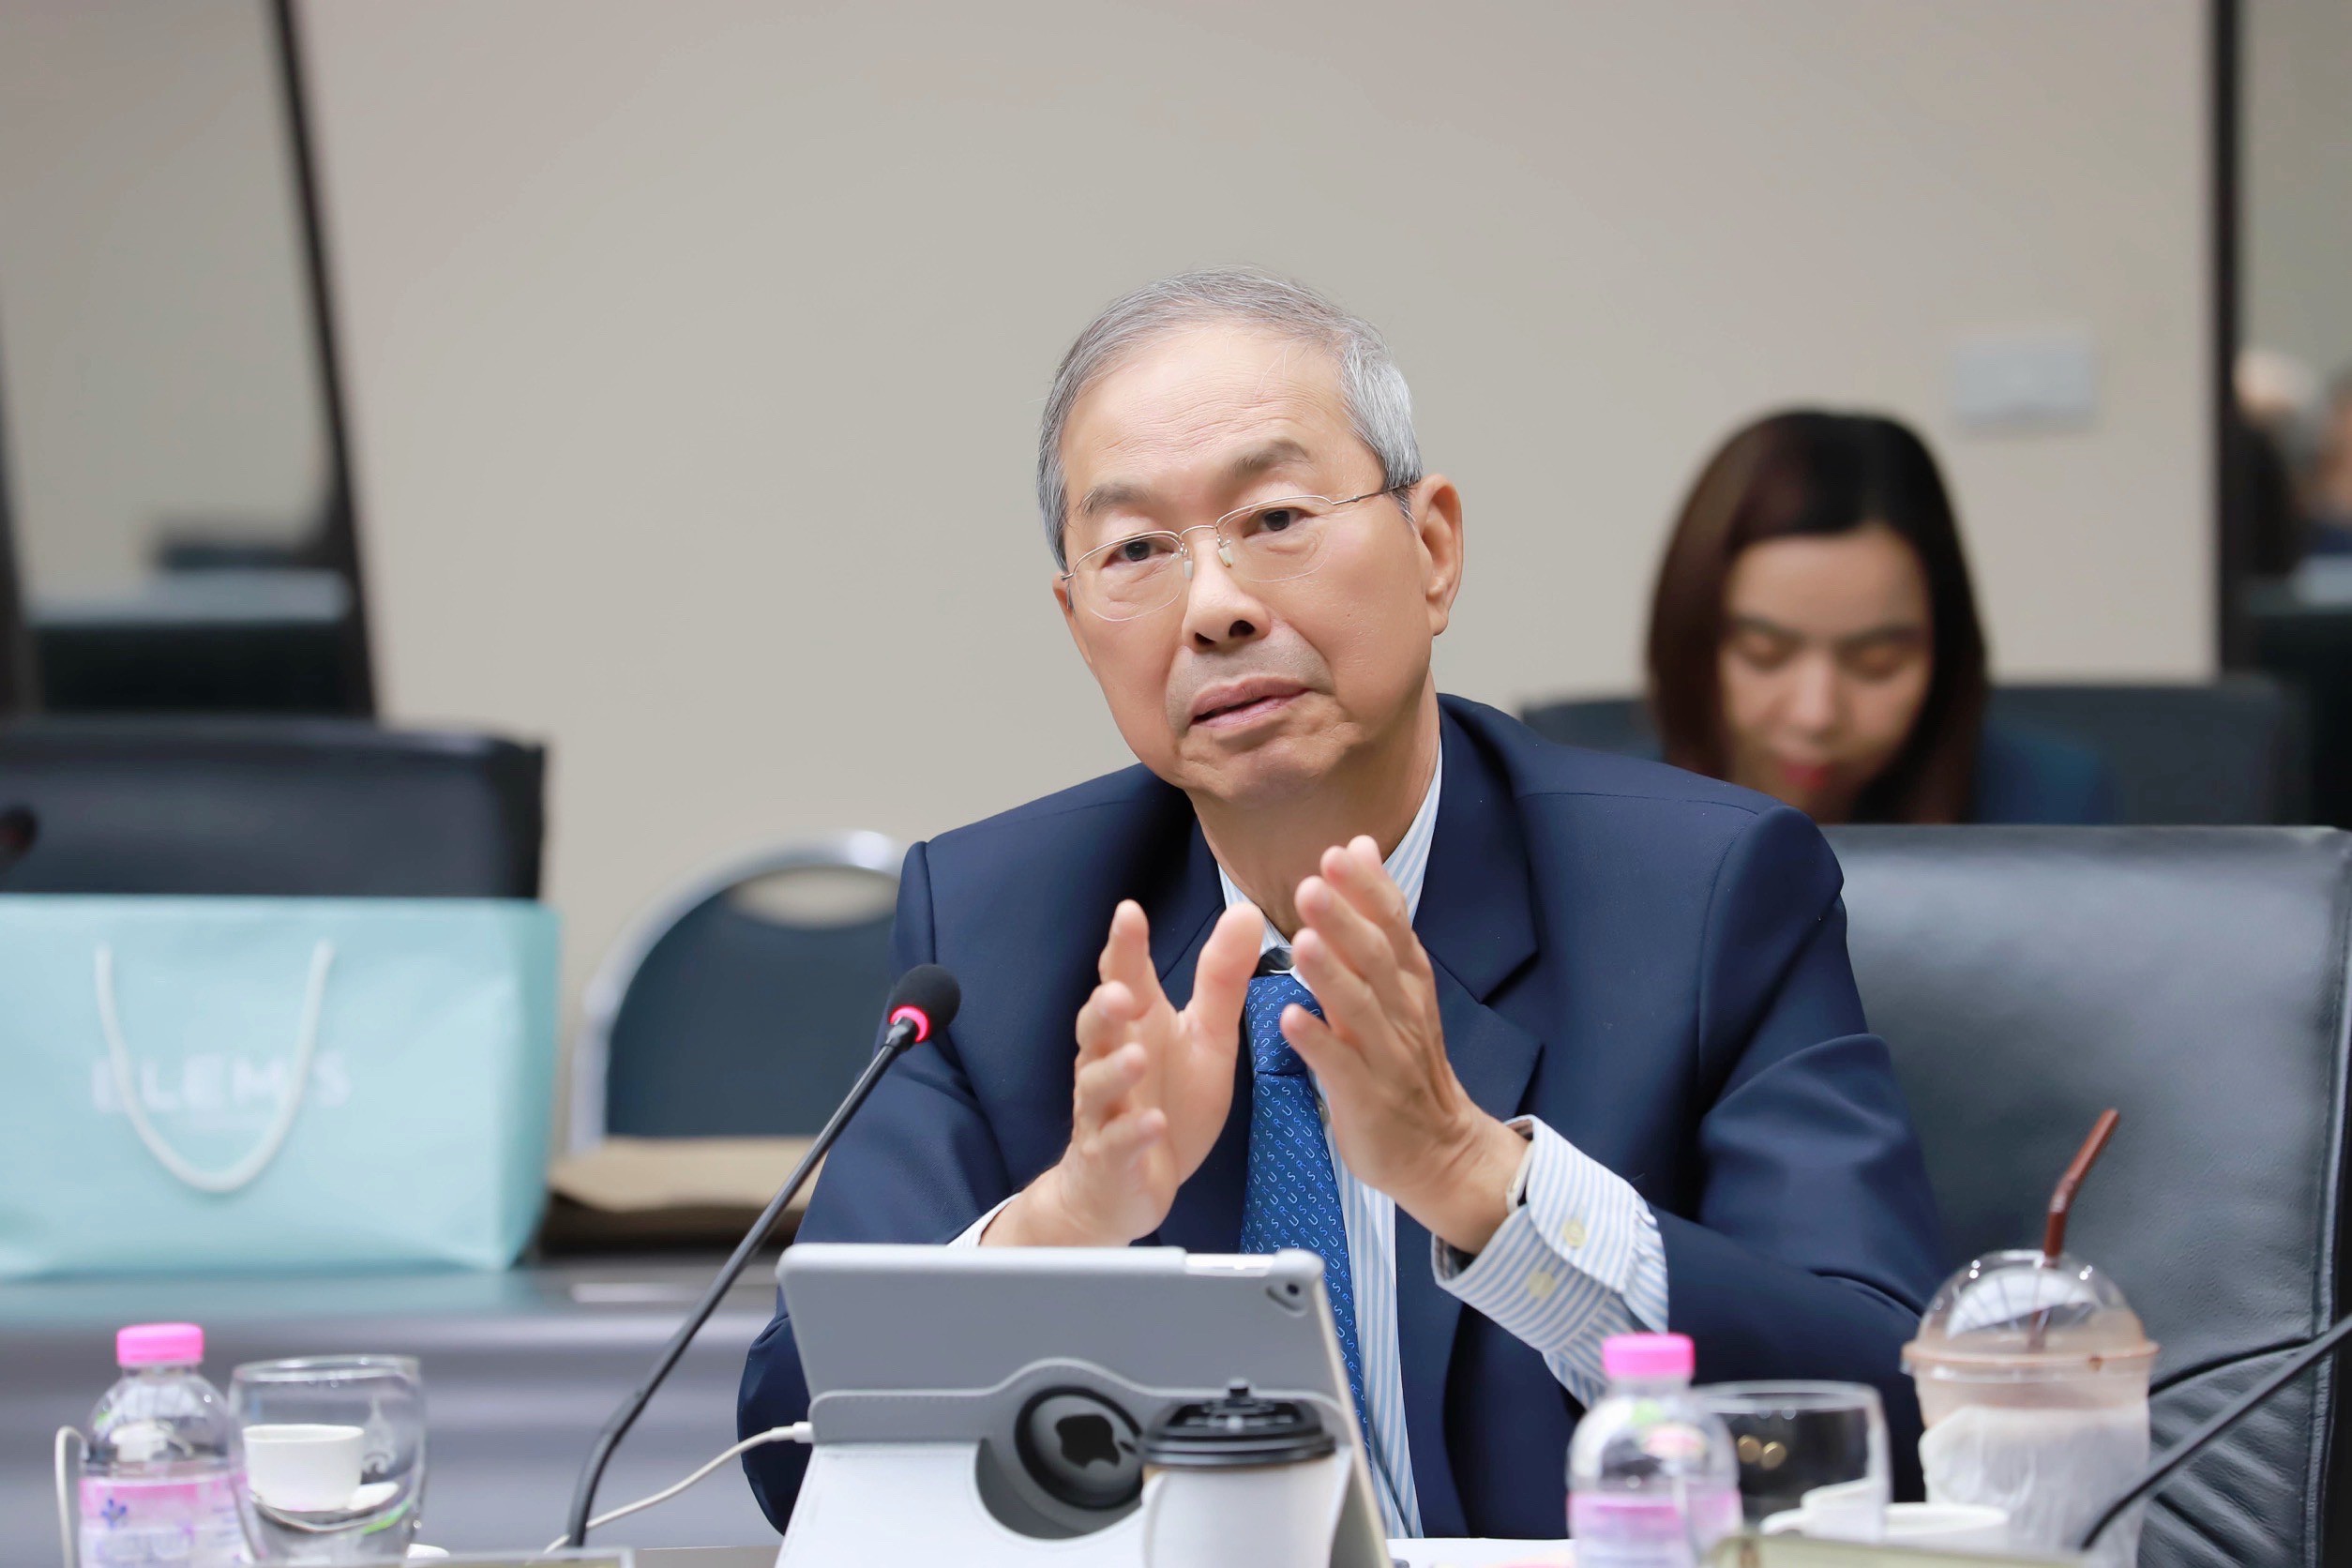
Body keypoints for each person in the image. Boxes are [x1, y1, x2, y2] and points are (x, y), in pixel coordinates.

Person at [739, 270, 1945, 1539]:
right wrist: (1064, 1228)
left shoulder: (1700, 896)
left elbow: (1893, 1417)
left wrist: (1477, 1178)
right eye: (1137, 550)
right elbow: (795, 1451)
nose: (1215, 606)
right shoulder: (995, 928)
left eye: (1275, 517)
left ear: (1434, 550)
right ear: (1078, 623)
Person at [1646, 410, 2112, 825]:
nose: (1816, 715)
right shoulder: (1618, 817)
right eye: (1763, 654)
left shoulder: (2055, 809)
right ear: (1689, 644)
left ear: (1944, 654)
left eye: (1877, 663)